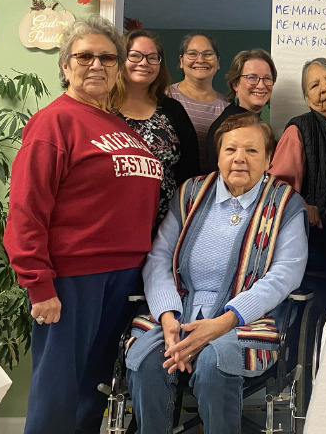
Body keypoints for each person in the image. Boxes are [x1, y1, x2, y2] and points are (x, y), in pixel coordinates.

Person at [3, 17, 162, 434]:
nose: (96, 65)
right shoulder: (55, 122)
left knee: (96, 388)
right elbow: (25, 208)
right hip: (74, 276)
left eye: (107, 57)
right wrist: (38, 282)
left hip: (125, 275)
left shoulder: (119, 125)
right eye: (84, 56)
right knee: (59, 390)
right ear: (65, 65)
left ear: (117, 67)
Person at [125, 112, 307, 434]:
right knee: (150, 362)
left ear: (268, 160)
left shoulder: (285, 203)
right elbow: (159, 258)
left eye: (252, 151)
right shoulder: (191, 194)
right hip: (178, 309)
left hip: (245, 318)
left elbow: (285, 274)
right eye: (230, 150)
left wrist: (223, 323)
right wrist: (168, 317)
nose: (239, 158)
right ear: (218, 157)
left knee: (214, 365)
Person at [270, 57, 326, 312]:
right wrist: (301, 206)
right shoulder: (299, 129)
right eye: (314, 86)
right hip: (317, 243)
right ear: (307, 98)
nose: (324, 88)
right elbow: (278, 188)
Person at [114, 29, 201, 233]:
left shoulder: (173, 110)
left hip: (165, 231)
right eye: (134, 55)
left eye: (152, 58)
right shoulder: (102, 109)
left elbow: (191, 173)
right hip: (112, 228)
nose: (144, 63)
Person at [203, 49, 277, 168]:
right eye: (252, 78)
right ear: (235, 84)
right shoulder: (227, 127)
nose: (261, 85)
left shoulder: (256, 123)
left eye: (267, 78)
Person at [167, 33, 229, 172]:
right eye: (192, 54)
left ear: (218, 62)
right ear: (181, 61)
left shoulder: (227, 108)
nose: (200, 60)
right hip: (172, 189)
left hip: (211, 190)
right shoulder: (164, 98)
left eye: (208, 54)